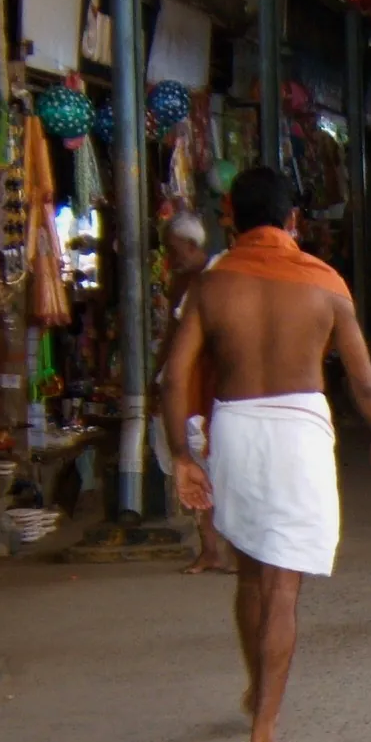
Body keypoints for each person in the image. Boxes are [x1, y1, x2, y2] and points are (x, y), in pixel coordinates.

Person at [161, 166, 371, 742]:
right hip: (299, 429)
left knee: (249, 573)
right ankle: (262, 739)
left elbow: (174, 376)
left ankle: (254, 692)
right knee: (283, 588)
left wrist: (183, 457)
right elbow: (363, 377)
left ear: (231, 218)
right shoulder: (323, 282)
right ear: (294, 220)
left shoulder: (212, 287)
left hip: (234, 426)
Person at [154, 212, 228, 575]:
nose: (171, 256)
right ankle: (210, 549)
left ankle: (229, 549)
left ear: (193, 244)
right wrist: (159, 371)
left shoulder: (216, 277)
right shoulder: (181, 283)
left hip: (215, 381)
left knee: (219, 462)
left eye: (174, 248)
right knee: (197, 463)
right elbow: (172, 334)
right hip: (190, 380)